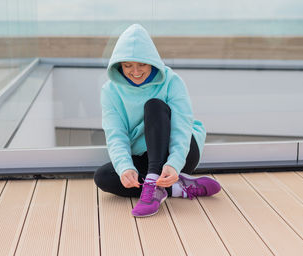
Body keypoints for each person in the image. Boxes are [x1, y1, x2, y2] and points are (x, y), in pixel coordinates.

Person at [94, 24, 221, 217]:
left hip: (180, 152)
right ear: (119, 65)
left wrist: (174, 164)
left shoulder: (171, 81)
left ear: (151, 62)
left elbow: (182, 126)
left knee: (154, 105)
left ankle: (153, 183)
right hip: (143, 155)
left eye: (141, 65)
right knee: (104, 177)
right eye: (128, 65)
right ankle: (175, 188)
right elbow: (115, 134)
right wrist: (125, 167)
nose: (135, 72)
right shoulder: (110, 91)